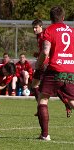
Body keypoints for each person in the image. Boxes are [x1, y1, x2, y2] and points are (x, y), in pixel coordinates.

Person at [35, 6, 74, 141]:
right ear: (63, 18)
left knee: (43, 100)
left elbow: (45, 51)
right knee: (72, 101)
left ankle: (45, 135)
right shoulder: (71, 31)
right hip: (70, 70)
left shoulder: (49, 30)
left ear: (51, 18)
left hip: (55, 69)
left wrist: (38, 65)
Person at [32, 19, 72, 117]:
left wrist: (39, 61)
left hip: (45, 64)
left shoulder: (45, 34)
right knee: (52, 86)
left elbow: (47, 51)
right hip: (56, 65)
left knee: (35, 86)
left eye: (36, 27)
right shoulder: (39, 36)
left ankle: (40, 108)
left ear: (41, 27)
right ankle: (66, 102)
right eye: (33, 27)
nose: (34, 29)